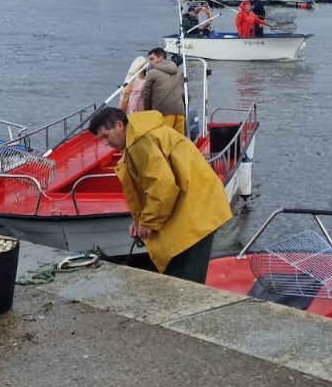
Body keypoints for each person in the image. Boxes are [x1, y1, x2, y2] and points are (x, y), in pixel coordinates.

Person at [88, 106, 232, 284]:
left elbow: (163, 188)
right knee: (182, 272)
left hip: (196, 211)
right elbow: (152, 185)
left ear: (119, 125)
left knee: (184, 279)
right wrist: (140, 220)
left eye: (105, 137)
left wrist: (149, 222)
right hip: (198, 205)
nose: (105, 143)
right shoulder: (141, 137)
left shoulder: (141, 143)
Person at [140, 48, 187, 133]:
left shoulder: (152, 72)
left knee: (164, 140)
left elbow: (147, 95)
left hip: (163, 113)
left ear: (160, 58)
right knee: (179, 141)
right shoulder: (178, 72)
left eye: (151, 59)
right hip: (179, 112)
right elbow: (182, 93)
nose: (149, 62)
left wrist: (147, 112)